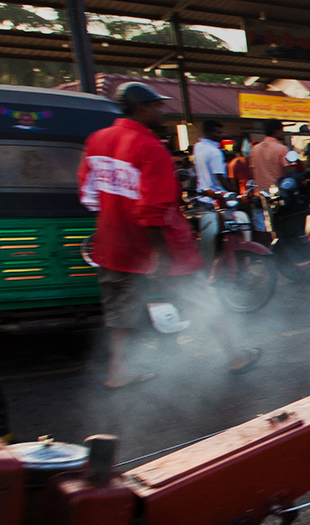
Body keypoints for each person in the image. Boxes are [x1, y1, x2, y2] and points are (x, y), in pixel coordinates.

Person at [78, 82, 260, 388]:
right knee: (203, 300)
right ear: (140, 109)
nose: (163, 110)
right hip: (162, 247)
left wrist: (116, 215)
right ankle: (235, 356)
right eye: (157, 105)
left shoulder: (97, 140)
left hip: (114, 244)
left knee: (120, 313)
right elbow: (153, 210)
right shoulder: (150, 147)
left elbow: (89, 195)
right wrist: (158, 253)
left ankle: (118, 372)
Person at [250, 119, 292, 244]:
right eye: (281, 130)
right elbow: (288, 171)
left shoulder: (255, 149)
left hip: (260, 195)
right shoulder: (282, 149)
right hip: (278, 196)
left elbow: (252, 170)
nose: (283, 133)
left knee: (263, 227)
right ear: (276, 131)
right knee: (282, 227)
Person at [192, 120, 231, 194]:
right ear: (208, 133)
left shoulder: (198, 146)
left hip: (202, 193)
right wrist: (233, 192)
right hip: (217, 195)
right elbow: (219, 177)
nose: (221, 135)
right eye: (218, 133)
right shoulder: (215, 152)